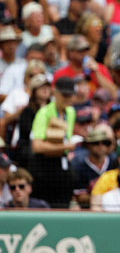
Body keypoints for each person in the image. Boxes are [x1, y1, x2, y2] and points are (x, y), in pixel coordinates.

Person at [29, 77, 78, 208]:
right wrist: (65, 146)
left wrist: (66, 150)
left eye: (70, 94)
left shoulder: (71, 112)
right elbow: (37, 146)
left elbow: (66, 138)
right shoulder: (44, 113)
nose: (67, 98)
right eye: (64, 94)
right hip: (44, 166)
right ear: (55, 92)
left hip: (61, 164)